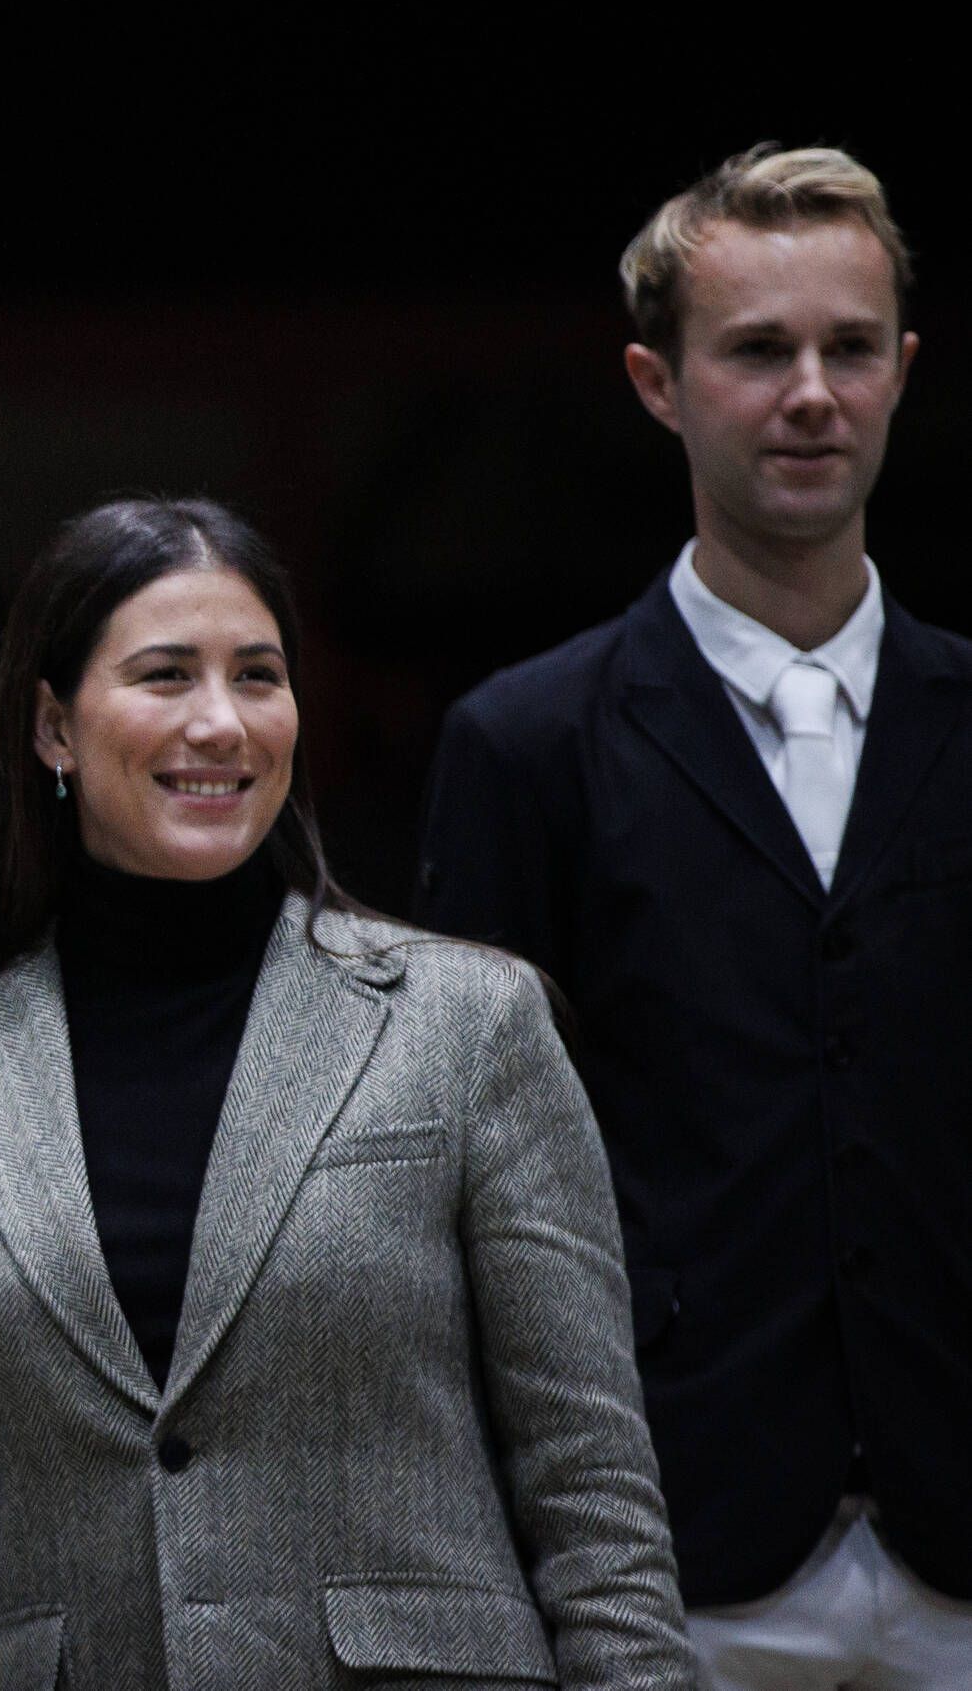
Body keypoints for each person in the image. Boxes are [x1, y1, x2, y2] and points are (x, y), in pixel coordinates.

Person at [0, 497, 691, 1686]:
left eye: (259, 675)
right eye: (165, 675)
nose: (220, 722)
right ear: (52, 727)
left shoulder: (468, 1024)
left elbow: (595, 1500)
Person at [420, 147, 967, 1685]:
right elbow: (461, 1176)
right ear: (658, 384)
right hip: (667, 1550)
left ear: (903, 369)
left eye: (851, 348)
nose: (812, 392)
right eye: (758, 350)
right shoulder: (524, 745)